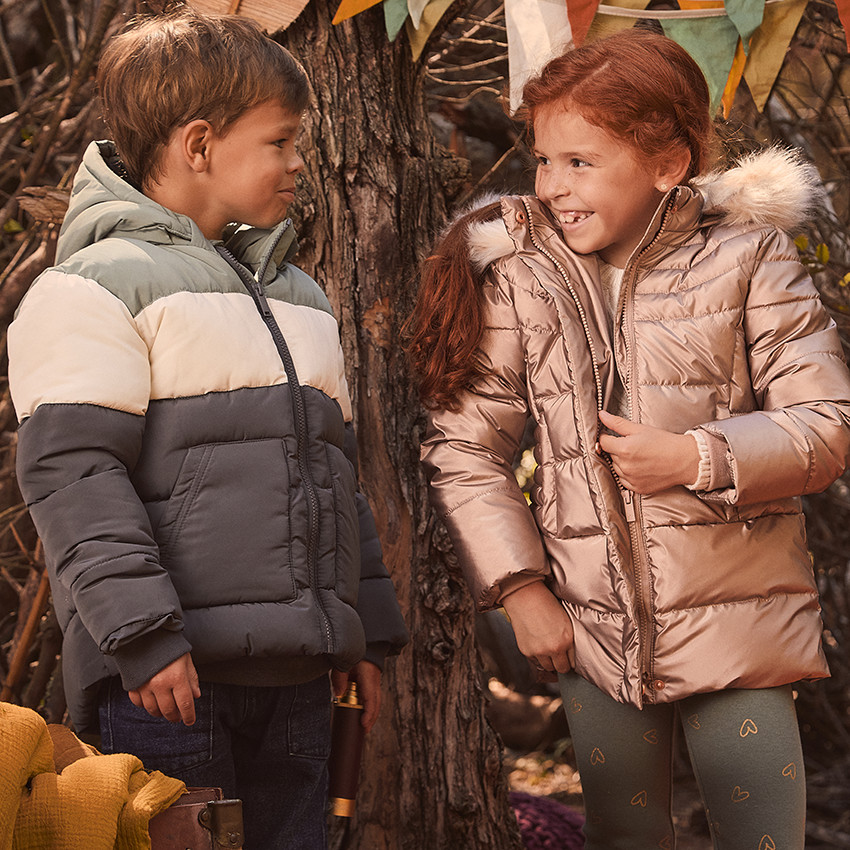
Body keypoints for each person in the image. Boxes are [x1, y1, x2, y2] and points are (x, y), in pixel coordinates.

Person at [406, 27, 850, 850]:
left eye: (581, 162)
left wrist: (696, 457)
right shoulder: (524, 278)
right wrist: (521, 590)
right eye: (544, 160)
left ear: (667, 165)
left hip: (741, 621)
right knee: (621, 836)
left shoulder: (749, 259)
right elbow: (465, 449)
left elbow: (826, 425)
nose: (553, 186)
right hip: (593, 630)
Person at [8, 9, 408, 849]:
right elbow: (75, 478)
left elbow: (335, 477)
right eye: (280, 142)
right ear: (199, 145)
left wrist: (363, 633)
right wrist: (144, 636)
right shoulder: (92, 289)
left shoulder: (300, 297)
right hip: (168, 681)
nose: (298, 163)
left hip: (299, 678)